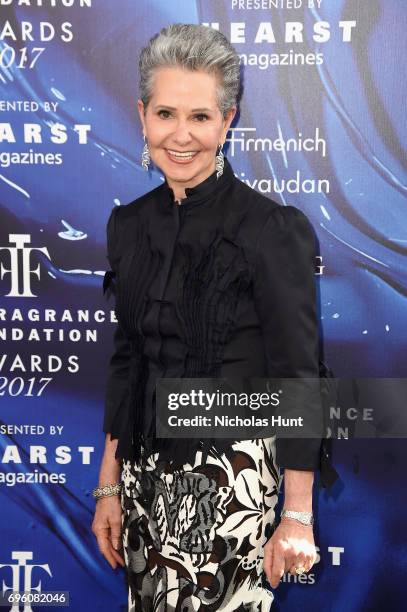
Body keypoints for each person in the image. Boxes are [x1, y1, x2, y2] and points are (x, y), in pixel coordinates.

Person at [91, 23, 338, 611]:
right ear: (142, 114)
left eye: (201, 117)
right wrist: (109, 486)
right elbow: (128, 361)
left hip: (231, 487)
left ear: (228, 121)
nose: (181, 136)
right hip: (144, 480)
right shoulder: (130, 225)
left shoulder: (270, 230)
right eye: (166, 114)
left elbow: (299, 375)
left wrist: (297, 514)